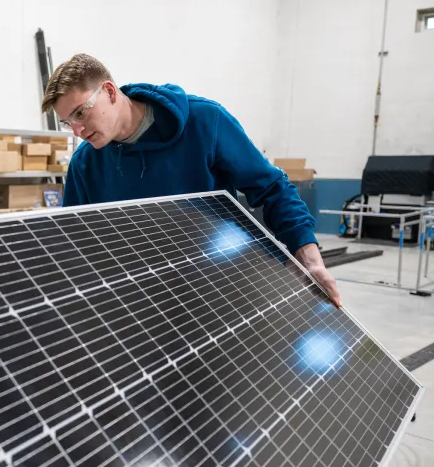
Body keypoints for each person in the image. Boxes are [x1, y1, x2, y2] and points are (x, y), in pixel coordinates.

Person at [41, 53, 341, 307]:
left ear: (109, 91)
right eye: (68, 122)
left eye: (81, 112)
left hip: (219, 289)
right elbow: (75, 242)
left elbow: (272, 188)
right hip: (139, 303)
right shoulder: (85, 164)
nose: (77, 130)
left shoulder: (205, 122)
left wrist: (309, 257)